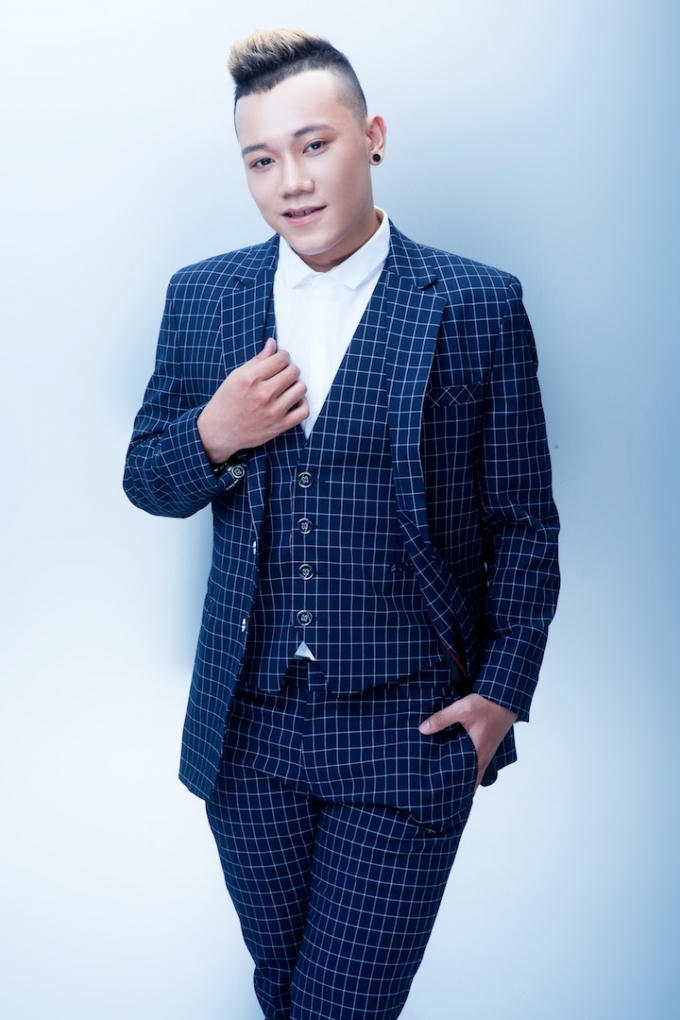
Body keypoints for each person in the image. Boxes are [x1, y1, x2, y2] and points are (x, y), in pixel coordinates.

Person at [122, 26, 560, 1020]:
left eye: (313, 145)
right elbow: (147, 479)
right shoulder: (204, 297)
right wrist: (212, 434)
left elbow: (523, 526)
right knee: (281, 990)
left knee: (340, 1007)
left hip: (407, 730)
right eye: (260, 160)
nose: (291, 182)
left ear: (372, 137)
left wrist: (501, 695)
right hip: (249, 728)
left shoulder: (477, 305)